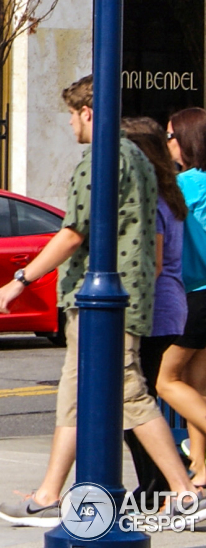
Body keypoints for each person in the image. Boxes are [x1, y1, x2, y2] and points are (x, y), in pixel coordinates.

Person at [0, 77, 201, 527]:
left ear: (89, 112)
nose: (70, 125)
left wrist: (22, 278)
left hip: (104, 301)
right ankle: (49, 494)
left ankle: (184, 492)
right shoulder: (143, 164)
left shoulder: (101, 160)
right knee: (72, 396)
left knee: (129, 392)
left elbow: (73, 231)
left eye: (72, 115)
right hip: (122, 298)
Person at [118, 117, 189, 502]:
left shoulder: (153, 199)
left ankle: (156, 486)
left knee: (134, 403)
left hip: (154, 308)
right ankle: (156, 484)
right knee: (139, 400)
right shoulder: (169, 192)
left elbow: (154, 261)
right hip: (171, 305)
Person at [159, 107, 206, 483]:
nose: (167, 142)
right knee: (194, 383)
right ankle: (201, 470)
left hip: (197, 293)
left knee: (166, 381)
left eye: (171, 136)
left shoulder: (184, 186)